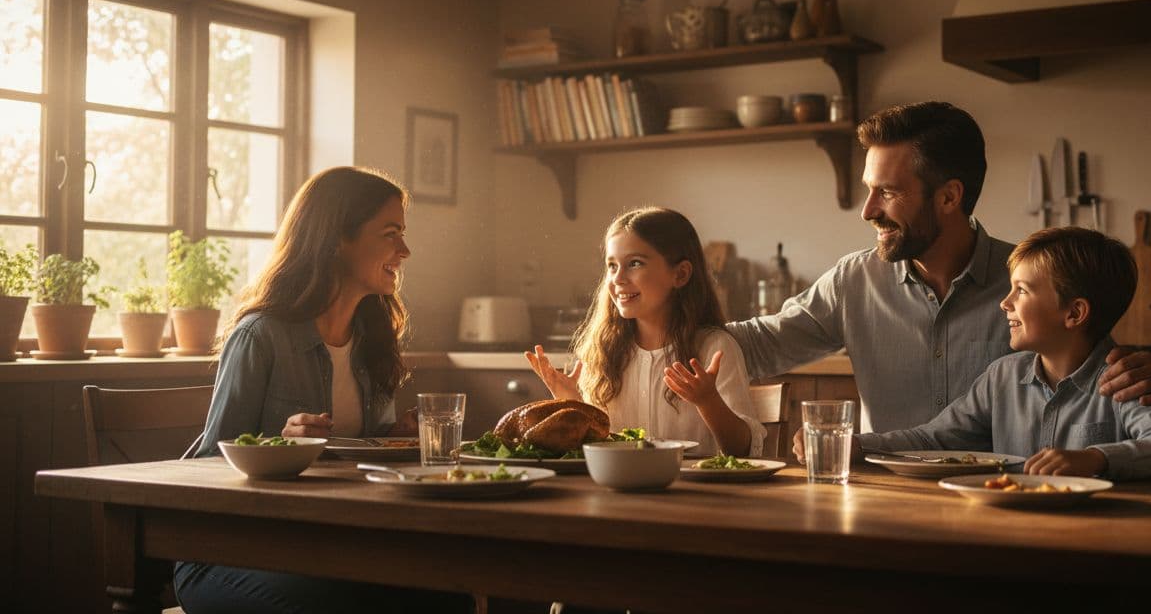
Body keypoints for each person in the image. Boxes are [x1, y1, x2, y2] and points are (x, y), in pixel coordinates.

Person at [723, 102, 1151, 456]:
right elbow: (758, 346)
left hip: (1001, 504)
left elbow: (1098, 375)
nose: (868, 211)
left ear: (948, 197)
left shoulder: (1033, 284)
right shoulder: (854, 281)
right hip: (887, 500)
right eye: (868, 189)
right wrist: (684, 325)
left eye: (888, 192)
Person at [176, 166, 472, 614]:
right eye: (390, 234)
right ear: (336, 239)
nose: (405, 250)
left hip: (321, 548)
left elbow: (361, 456)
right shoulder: (260, 335)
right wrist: (276, 448)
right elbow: (205, 470)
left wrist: (394, 437)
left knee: (448, 599)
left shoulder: (373, 339)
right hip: (224, 551)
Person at [818, 227, 1151, 480]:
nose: (1005, 303)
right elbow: (933, 439)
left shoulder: (1122, 382)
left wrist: (1096, 459)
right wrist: (857, 445)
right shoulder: (1001, 376)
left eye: (1022, 291)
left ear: (1074, 314)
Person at [526, 207, 765, 457]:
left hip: (693, 484)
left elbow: (743, 451)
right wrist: (573, 403)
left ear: (680, 274)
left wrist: (708, 401)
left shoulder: (715, 348)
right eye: (612, 266)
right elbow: (599, 446)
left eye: (635, 263)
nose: (618, 278)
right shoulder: (603, 353)